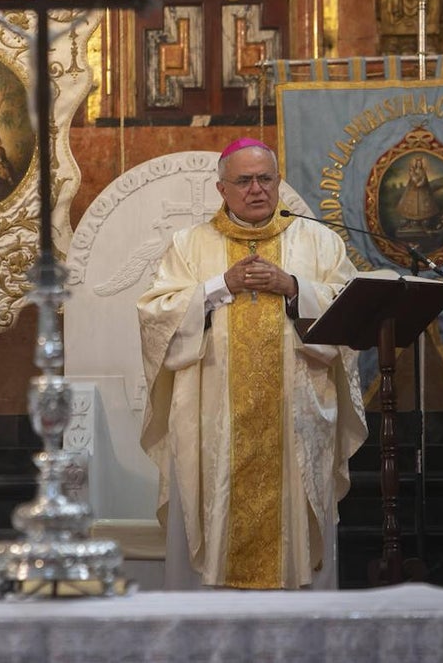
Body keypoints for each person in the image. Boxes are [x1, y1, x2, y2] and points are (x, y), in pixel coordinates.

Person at [137, 138, 367, 590]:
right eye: (244, 181)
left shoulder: (319, 241)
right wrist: (217, 285)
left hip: (295, 419)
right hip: (213, 422)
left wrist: (295, 286)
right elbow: (155, 315)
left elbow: (350, 311)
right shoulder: (189, 245)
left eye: (265, 179)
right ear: (222, 189)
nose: (256, 189)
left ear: (278, 182)